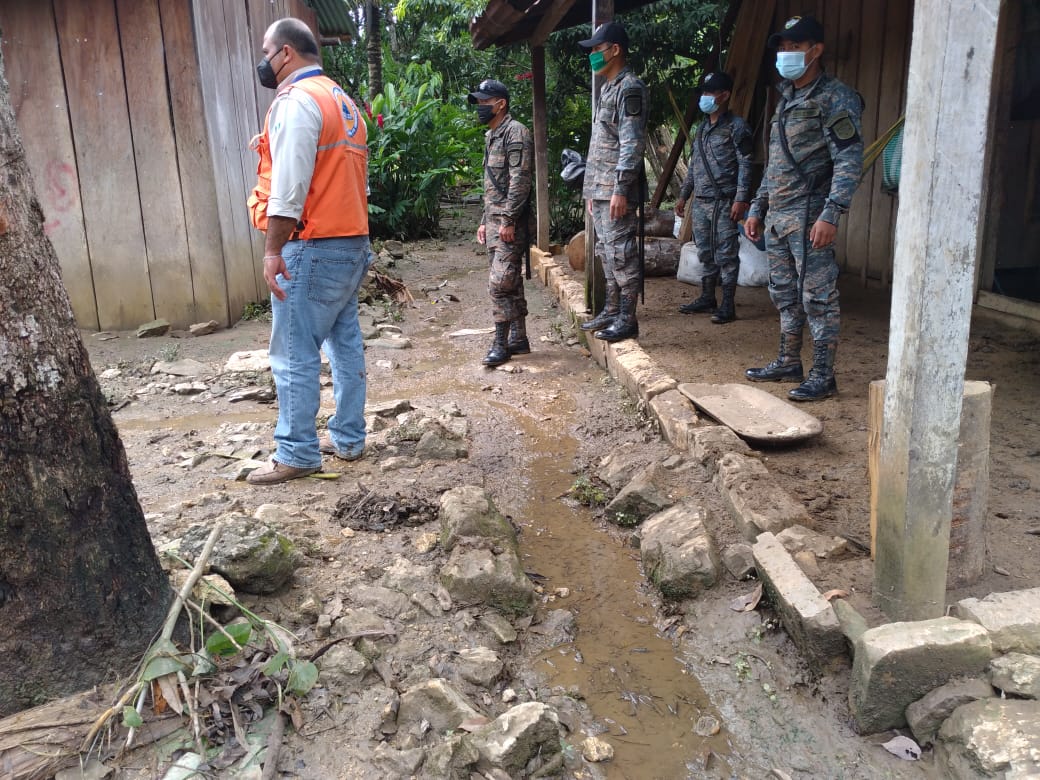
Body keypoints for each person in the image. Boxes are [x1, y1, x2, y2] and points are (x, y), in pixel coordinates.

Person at [244, 18, 371, 484]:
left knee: (294, 352)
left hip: (313, 243)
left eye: (266, 51)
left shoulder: (297, 103)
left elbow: (290, 185)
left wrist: (272, 249)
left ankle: (296, 452)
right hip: (351, 241)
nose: (263, 60)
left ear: (286, 54)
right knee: (344, 343)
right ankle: (349, 438)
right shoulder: (341, 99)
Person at [744, 14, 863, 402]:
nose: (786, 54)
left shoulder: (835, 97)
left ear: (816, 51)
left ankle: (824, 375)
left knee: (818, 297)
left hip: (811, 217)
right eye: (782, 48)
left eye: (794, 47)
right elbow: (776, 163)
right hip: (779, 219)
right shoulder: (787, 98)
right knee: (784, 294)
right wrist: (757, 208)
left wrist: (832, 213)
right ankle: (788, 360)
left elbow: (848, 160)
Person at [578, 21, 649, 343]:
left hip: (616, 190)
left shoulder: (629, 87)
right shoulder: (608, 87)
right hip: (601, 189)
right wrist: (594, 190)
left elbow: (631, 144)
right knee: (607, 254)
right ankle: (611, 309)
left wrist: (621, 189)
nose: (592, 55)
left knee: (622, 254)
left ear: (615, 49)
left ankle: (627, 318)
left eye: (596, 48)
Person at [675, 71, 753, 323]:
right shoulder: (701, 130)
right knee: (705, 252)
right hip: (701, 202)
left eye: (709, 92)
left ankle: (728, 305)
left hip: (725, 201)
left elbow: (747, 164)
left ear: (724, 95)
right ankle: (708, 297)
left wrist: (741, 198)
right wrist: (683, 196)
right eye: (703, 92)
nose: (704, 97)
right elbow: (695, 165)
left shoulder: (737, 127)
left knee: (727, 254)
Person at [468, 79, 535, 367]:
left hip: (510, 223)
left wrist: (507, 220)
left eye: (485, 102)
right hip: (495, 222)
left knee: (499, 283)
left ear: (500, 104)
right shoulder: (491, 135)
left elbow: (520, 181)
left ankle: (500, 344)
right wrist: (486, 220)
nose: (481, 107)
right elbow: (493, 185)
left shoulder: (515, 132)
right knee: (511, 282)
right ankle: (519, 339)